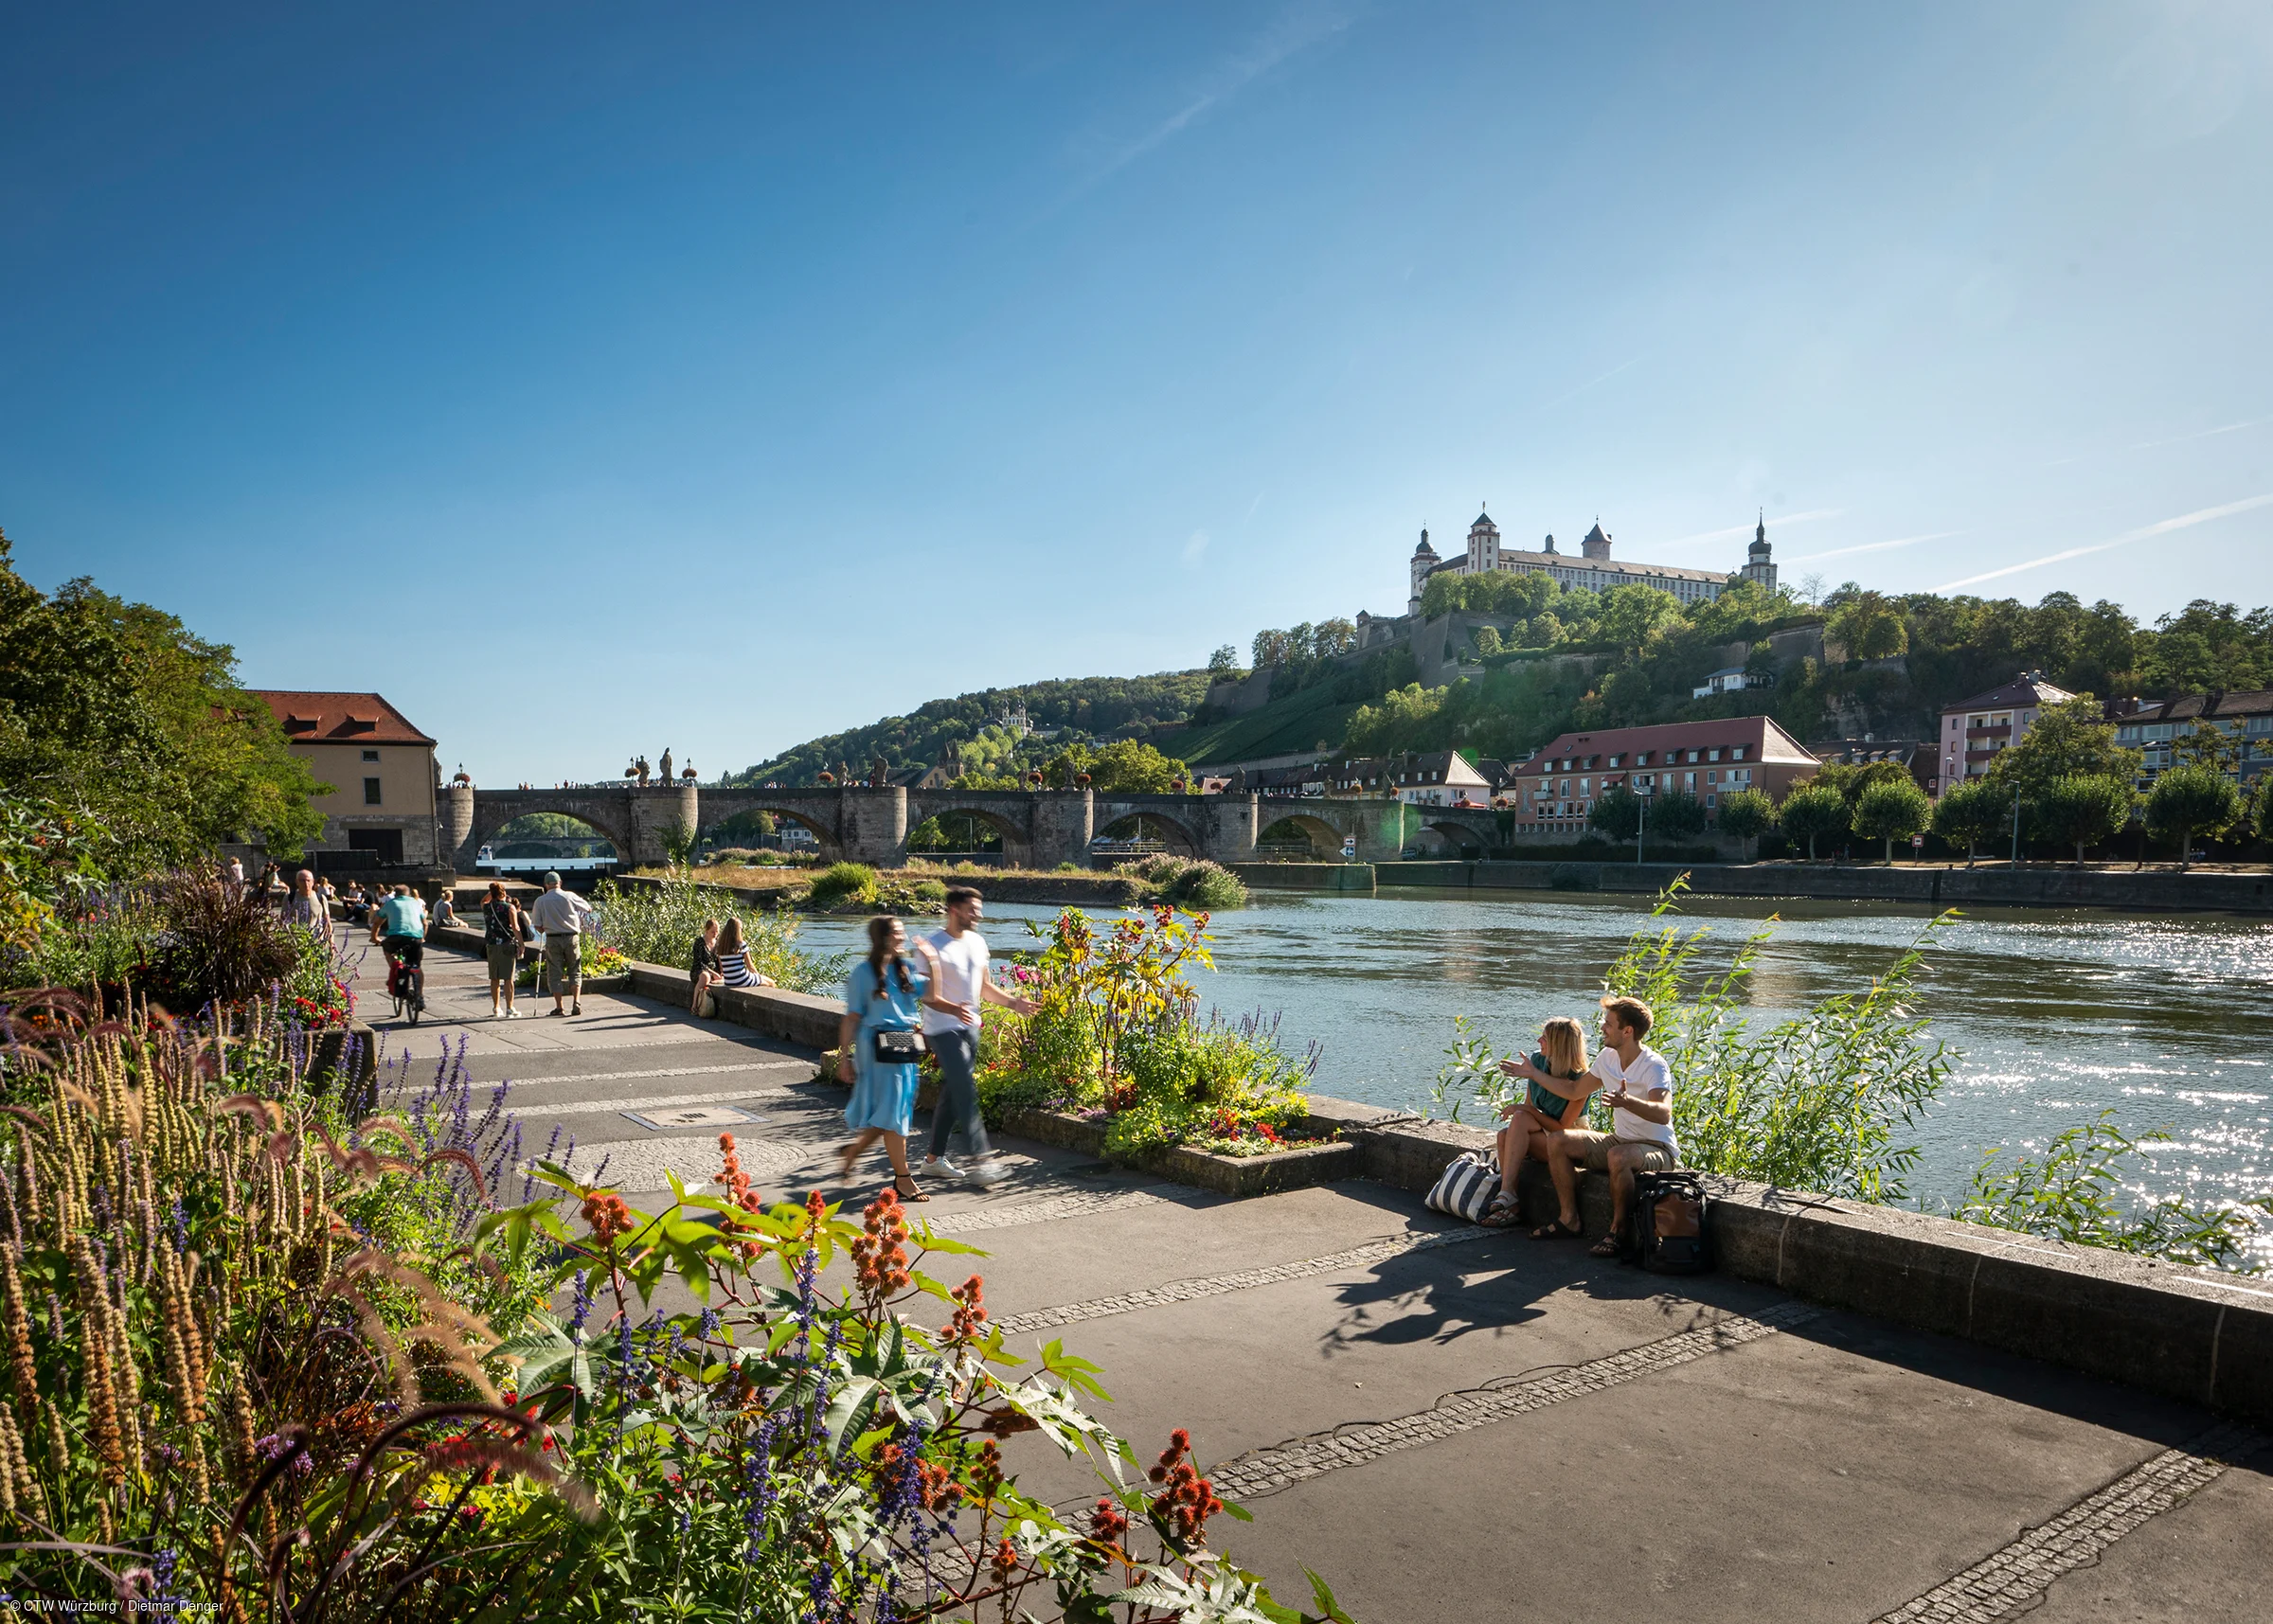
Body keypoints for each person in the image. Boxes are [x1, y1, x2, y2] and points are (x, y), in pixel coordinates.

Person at [1534, 995, 1679, 1258]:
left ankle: (1618, 1231)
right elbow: (1575, 1089)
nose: (1602, 1028)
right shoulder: (1607, 1057)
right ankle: (1569, 1219)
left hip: (1657, 1147)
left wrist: (1628, 1101)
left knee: (1618, 1156)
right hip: (1620, 1139)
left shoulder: (1654, 1065)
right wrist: (1533, 1074)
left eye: (1608, 1024)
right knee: (1558, 1140)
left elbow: (1663, 1113)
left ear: (1628, 1031)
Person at [918, 886, 1037, 1188]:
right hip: (942, 1029)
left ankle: (933, 1161)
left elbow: (984, 987)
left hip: (970, 1028)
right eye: (973, 909)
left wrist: (1014, 1003)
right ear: (954, 910)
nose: (979, 915)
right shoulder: (932, 946)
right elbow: (927, 997)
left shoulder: (977, 942)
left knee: (953, 1092)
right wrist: (954, 1009)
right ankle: (981, 1161)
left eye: (979, 909)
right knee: (966, 1089)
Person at [834, 916, 943, 1202]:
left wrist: (932, 960)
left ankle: (853, 1152)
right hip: (876, 1048)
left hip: (904, 1045)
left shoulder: (904, 969)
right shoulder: (862, 973)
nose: (903, 936)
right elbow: (852, 1018)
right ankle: (903, 1179)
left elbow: (932, 993)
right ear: (883, 937)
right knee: (895, 1113)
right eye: (897, 932)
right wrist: (844, 1058)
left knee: (893, 1111)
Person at [1479, 1015, 1596, 1228]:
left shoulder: (1581, 1079)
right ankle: (1509, 1196)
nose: (1539, 1042)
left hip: (1568, 1138)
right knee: (1504, 1135)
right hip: (1544, 1130)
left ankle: (1508, 1197)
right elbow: (1529, 1108)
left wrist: (1524, 1109)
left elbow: (1563, 1127)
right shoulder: (1537, 1062)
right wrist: (1525, 1108)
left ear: (1559, 1045)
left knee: (1517, 1123)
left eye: (1544, 1038)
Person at [527, 871, 593, 1016]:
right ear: (560, 883)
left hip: (553, 938)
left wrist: (547, 926)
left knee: (554, 972)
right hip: (572, 937)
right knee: (575, 969)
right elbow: (588, 908)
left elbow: (537, 925)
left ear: (545, 885)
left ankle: (559, 1007)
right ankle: (576, 1002)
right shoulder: (569, 896)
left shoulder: (540, 901)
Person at [369, 883, 428, 1011]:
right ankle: (420, 996)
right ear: (408, 894)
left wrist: (374, 938)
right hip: (415, 938)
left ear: (395, 894)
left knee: (387, 950)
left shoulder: (391, 903)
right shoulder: (416, 903)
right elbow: (425, 923)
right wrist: (422, 938)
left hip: (395, 937)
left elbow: (376, 923)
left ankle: (396, 967)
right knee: (417, 967)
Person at [482, 881, 524, 1019]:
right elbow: (516, 927)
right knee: (508, 978)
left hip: (491, 944)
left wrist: (492, 892)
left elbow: (484, 900)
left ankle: (496, 1007)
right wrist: (521, 944)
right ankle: (510, 1008)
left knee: (494, 978)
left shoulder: (486, 907)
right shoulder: (509, 907)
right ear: (503, 893)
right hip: (506, 944)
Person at [715, 918, 777, 990]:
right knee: (771, 983)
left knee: (764, 980)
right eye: (741, 929)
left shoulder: (720, 945)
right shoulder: (741, 945)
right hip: (742, 979)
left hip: (728, 981)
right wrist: (758, 976)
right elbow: (750, 966)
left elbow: (722, 966)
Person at [689, 917, 722, 1012]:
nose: (715, 934)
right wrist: (712, 973)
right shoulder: (699, 943)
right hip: (699, 970)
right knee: (705, 977)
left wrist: (722, 971)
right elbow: (699, 962)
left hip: (714, 970)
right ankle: (694, 1005)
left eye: (717, 931)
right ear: (706, 930)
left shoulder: (717, 942)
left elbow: (719, 959)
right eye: (712, 931)